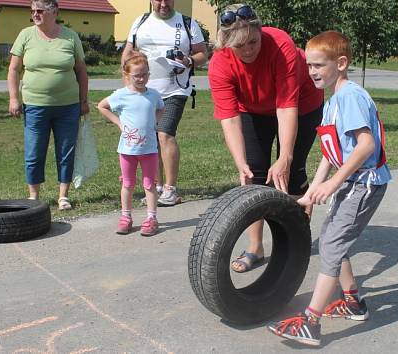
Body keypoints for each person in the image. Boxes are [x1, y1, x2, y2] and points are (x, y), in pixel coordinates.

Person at [266, 30, 392, 346]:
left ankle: (311, 321)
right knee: (336, 238)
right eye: (309, 65)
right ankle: (352, 302)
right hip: (351, 181)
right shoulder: (334, 99)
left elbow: (366, 145)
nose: (312, 72)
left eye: (319, 65)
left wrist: (334, 182)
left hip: (363, 184)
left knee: (332, 245)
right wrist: (314, 189)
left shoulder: (349, 96)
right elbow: (329, 150)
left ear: (341, 63)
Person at [208, 4, 324, 273]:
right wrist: (240, 163)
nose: (248, 49)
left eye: (253, 41)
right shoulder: (219, 64)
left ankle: (295, 245)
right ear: (226, 44)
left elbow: (286, 104)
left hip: (302, 104)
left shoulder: (280, 43)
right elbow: (229, 117)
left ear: (261, 32)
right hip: (253, 109)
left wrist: (285, 156)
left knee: (291, 172)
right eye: (240, 46)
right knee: (255, 174)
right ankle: (256, 248)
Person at [121, 0, 208, 207]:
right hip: (145, 91)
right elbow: (128, 51)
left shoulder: (187, 23)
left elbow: (203, 54)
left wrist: (187, 61)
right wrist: (127, 80)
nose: (163, 3)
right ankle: (156, 186)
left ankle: (170, 188)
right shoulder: (140, 22)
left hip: (175, 89)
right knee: (150, 138)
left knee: (165, 134)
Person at [7, 0, 89, 210]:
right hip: (35, 105)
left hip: (68, 106)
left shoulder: (70, 36)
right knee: (34, 151)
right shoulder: (26, 35)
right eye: (33, 11)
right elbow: (14, 70)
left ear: (54, 12)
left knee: (66, 151)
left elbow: (81, 71)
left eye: (40, 10)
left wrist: (83, 101)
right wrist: (14, 98)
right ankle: (34, 196)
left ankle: (63, 196)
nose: (35, 14)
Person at [97, 53, 165, 236]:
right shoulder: (121, 95)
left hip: (149, 149)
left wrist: (154, 123)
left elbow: (161, 108)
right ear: (127, 75)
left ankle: (151, 218)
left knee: (150, 184)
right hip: (127, 150)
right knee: (128, 183)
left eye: (145, 74)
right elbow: (102, 106)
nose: (141, 78)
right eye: (137, 75)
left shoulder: (153, 95)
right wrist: (119, 123)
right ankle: (126, 216)